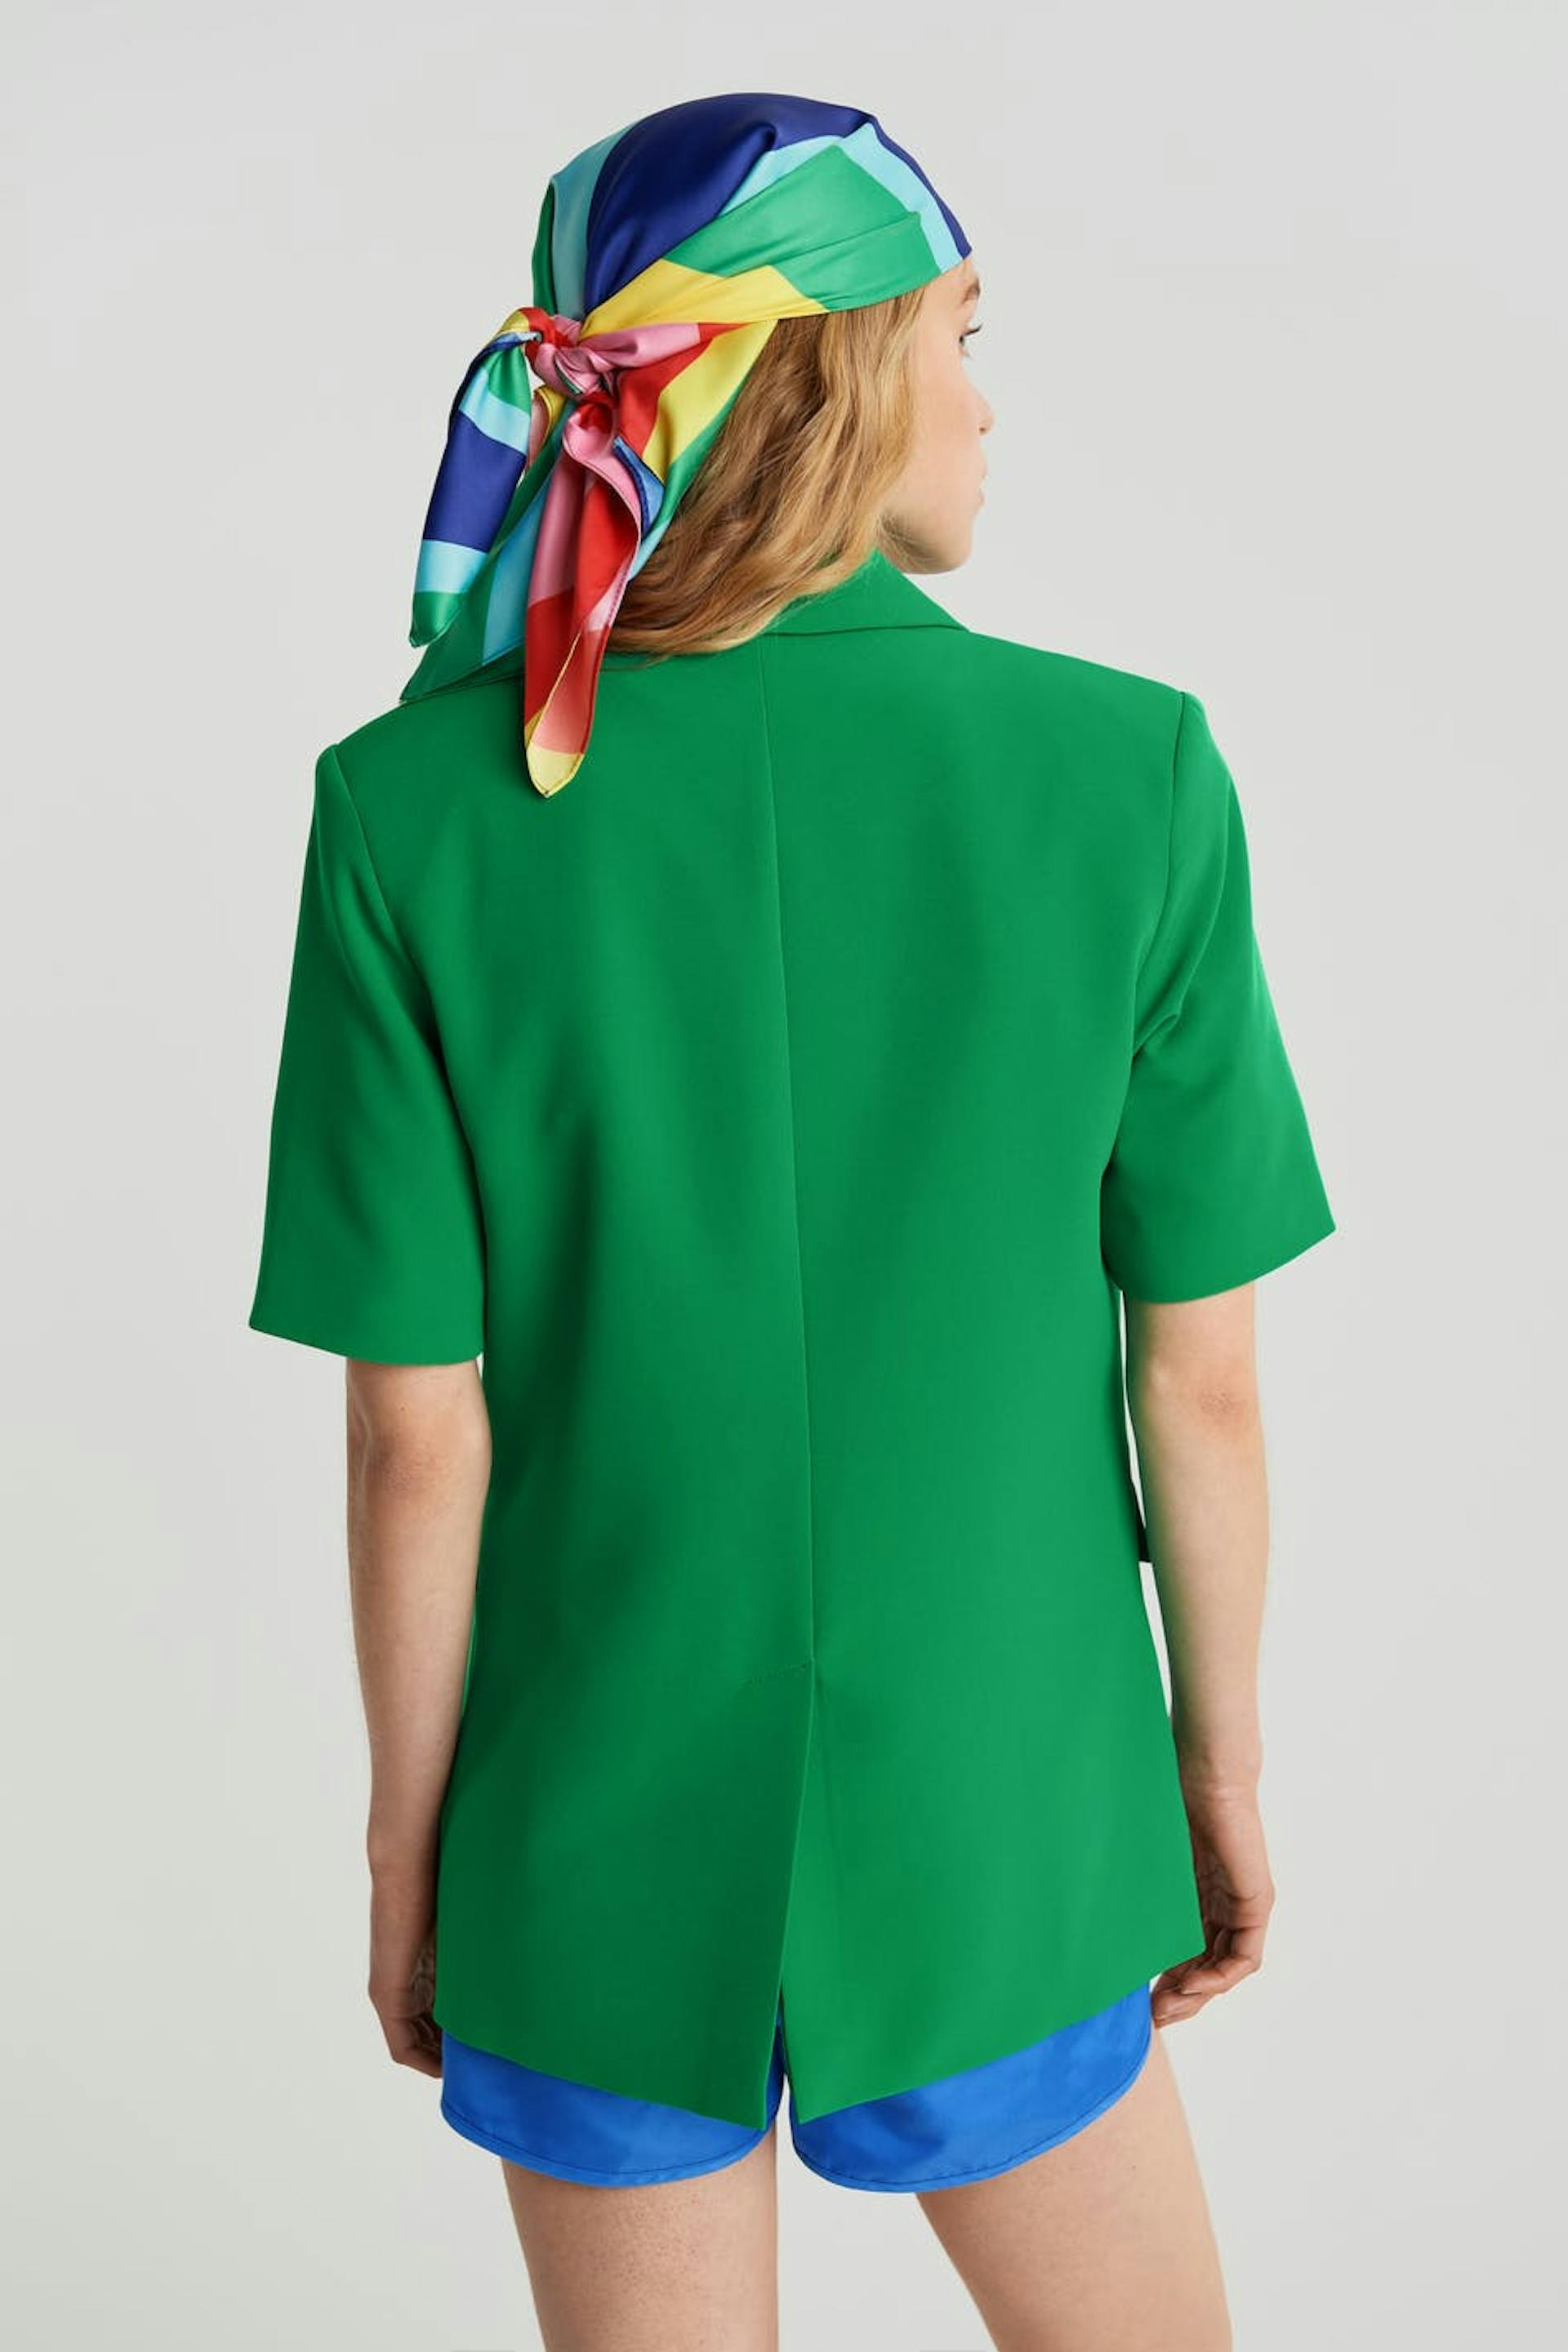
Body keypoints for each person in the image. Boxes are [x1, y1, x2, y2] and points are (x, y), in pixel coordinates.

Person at [247, 90, 1336, 2352]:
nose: (988, 398)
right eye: (961, 331)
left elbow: (414, 1438)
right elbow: (1203, 1382)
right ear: (827, 361)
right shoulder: (1129, 771)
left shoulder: (406, 806)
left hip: (591, 1819)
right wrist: (1214, 1771)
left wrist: (409, 1848)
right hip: (1007, 1814)